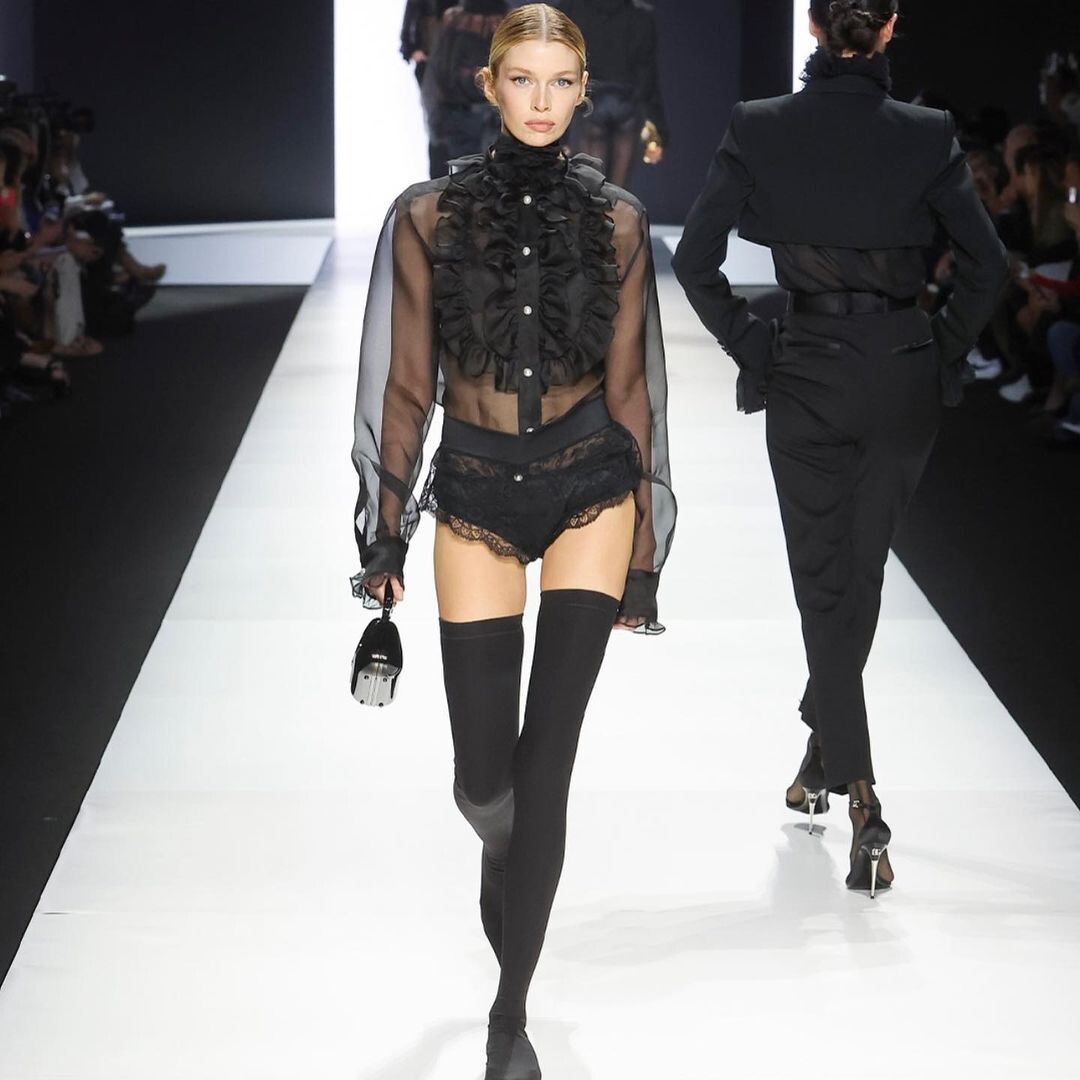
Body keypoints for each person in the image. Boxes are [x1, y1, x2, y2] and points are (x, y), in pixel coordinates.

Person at [350, 5, 674, 1077]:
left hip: (590, 488)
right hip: (477, 494)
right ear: (487, 86)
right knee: (483, 782)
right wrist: (384, 531)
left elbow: (632, 391)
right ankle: (507, 845)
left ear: (584, 91)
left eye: (560, 81)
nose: (542, 100)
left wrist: (644, 548)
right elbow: (405, 387)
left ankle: (510, 1015)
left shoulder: (618, 221)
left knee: (551, 759)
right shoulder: (426, 217)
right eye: (522, 79)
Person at [673, 0, 1007, 898]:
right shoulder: (927, 134)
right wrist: (935, 351)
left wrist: (756, 346)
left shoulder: (759, 126)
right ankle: (823, 758)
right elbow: (989, 267)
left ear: (815, 28)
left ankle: (863, 798)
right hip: (898, 374)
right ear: (891, 26)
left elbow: (695, 262)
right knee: (857, 577)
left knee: (829, 583)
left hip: (809, 372)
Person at [556, 0, 668, 188]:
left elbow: (562, 69)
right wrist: (658, 132)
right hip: (626, 104)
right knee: (619, 190)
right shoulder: (640, 15)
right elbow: (647, 77)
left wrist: (560, 138)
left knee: (591, 188)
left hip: (591, 103)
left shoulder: (572, 9)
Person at [422, 0, 509, 177]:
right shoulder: (455, 25)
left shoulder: (455, 24)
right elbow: (438, 78)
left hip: (482, 121)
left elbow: (437, 79)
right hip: (465, 121)